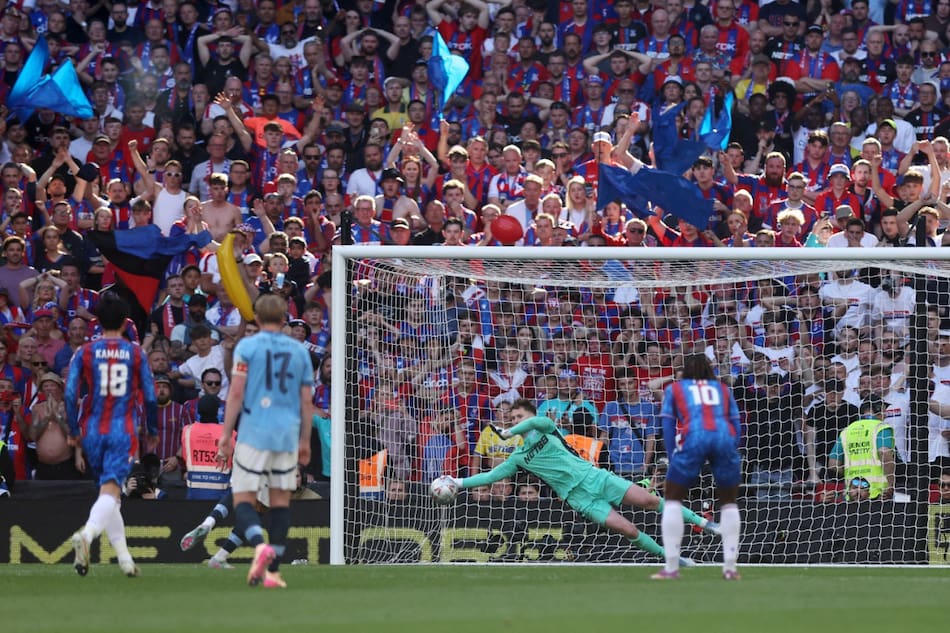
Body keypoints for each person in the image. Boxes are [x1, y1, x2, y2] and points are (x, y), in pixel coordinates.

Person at [434, 398, 719, 567]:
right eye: (513, 418)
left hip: (594, 477)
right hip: (577, 497)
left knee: (650, 501)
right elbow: (490, 476)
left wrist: (508, 431)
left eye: (520, 416)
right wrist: (458, 482)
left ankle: (705, 523)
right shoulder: (519, 457)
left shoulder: (547, 427)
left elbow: (535, 424)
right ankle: (672, 557)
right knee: (628, 529)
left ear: (530, 416)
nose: (517, 421)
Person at [215, 294, 312, 588]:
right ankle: (274, 572)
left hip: (253, 431)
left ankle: (259, 544)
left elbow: (235, 394)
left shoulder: (247, 347)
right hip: (285, 433)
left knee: (243, 498)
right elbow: (306, 401)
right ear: (284, 319)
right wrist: (305, 440)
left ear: (257, 319)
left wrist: (225, 437)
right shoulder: (299, 351)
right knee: (280, 502)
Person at [66, 293, 158, 578]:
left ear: (97, 321)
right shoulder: (135, 352)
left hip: (93, 430)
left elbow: (70, 394)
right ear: (124, 321)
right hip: (122, 430)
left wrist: (73, 431)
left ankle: (125, 560)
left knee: (111, 494)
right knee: (111, 490)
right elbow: (152, 397)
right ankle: (87, 535)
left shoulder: (84, 351)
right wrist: (152, 430)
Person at [652, 354, 742, 581]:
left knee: (672, 499)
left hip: (693, 438)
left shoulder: (676, 388)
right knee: (729, 503)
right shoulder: (722, 388)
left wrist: (673, 455)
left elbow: (667, 423)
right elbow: (736, 421)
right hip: (723, 438)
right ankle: (730, 569)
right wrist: (733, 447)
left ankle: (671, 568)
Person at [824, 396, 896, 501]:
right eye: (884, 410)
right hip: (878, 494)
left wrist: (851, 473)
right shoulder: (881, 428)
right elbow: (884, 452)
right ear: (878, 409)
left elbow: (833, 464)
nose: (885, 415)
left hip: (852, 494)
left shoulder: (847, 431)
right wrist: (890, 484)